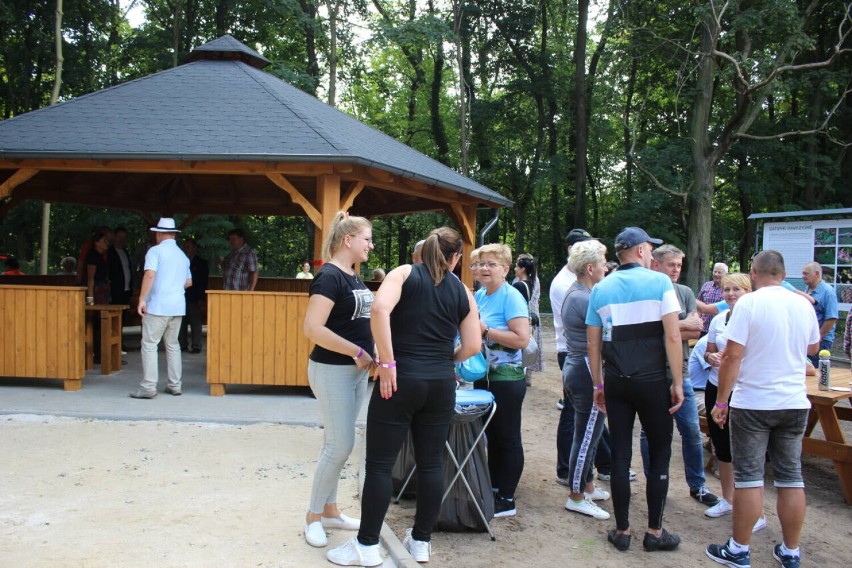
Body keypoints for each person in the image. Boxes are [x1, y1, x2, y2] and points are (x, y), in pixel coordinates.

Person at [326, 228, 480, 566]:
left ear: (424, 251)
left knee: (380, 464)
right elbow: (472, 346)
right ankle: (421, 540)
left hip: (397, 380)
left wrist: (389, 360)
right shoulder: (464, 291)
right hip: (440, 383)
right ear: (455, 258)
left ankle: (366, 545)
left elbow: (379, 310)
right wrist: (445, 361)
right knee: (431, 464)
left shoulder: (404, 273)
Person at [706, 250, 820, 568]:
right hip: (794, 402)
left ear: (754, 274)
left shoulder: (749, 304)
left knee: (749, 478)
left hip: (754, 402)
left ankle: (739, 549)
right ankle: (790, 551)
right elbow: (812, 347)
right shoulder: (802, 304)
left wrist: (721, 401)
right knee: (791, 477)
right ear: (783, 274)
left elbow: (731, 356)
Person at [586, 227, 684, 553]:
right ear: (642, 250)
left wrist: (598, 384)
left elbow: (593, 343)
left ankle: (623, 529)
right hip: (653, 381)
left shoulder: (601, 288)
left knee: (620, 455)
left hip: (617, 381)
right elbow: (672, 336)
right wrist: (678, 382)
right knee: (659, 454)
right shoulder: (660, 283)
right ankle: (655, 532)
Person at [302, 212, 375, 549]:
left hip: (354, 374)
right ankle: (313, 517)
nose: (371, 246)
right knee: (340, 444)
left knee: (336, 443)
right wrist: (358, 352)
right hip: (332, 371)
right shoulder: (329, 276)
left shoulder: (353, 276)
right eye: (367, 239)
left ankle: (331, 510)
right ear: (348, 240)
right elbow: (313, 329)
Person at [642, 244, 720, 508]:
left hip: (681, 373)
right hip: (652, 373)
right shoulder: (647, 292)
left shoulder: (685, 292)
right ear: (656, 265)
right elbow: (648, 337)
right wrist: (676, 328)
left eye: (678, 265)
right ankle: (653, 482)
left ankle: (697, 486)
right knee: (648, 433)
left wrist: (668, 330)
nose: (676, 270)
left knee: (692, 431)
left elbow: (695, 332)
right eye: (670, 264)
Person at [473, 243, 530, 518]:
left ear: (506, 269)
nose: (484, 268)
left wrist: (487, 330)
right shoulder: (480, 295)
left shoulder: (512, 296)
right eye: (480, 263)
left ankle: (507, 498)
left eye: (491, 264)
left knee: (507, 437)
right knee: (491, 436)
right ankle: (494, 490)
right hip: (483, 377)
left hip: (507, 378)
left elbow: (522, 339)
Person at [559, 239, 612, 520]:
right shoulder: (584, 297)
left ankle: (587, 486)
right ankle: (576, 496)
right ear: (590, 268)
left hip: (578, 367)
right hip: (585, 371)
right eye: (603, 263)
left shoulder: (580, 291)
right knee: (586, 435)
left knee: (590, 434)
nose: (607, 267)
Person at [703, 273, 755, 522]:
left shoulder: (755, 318)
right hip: (716, 385)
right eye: (726, 290)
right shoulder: (719, 320)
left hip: (744, 390)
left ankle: (752, 511)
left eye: (737, 289)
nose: (731, 294)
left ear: (748, 291)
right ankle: (728, 499)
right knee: (721, 444)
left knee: (745, 449)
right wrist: (711, 358)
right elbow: (709, 352)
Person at [130, 218, 192, 399]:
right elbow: (188, 282)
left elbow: (149, 274)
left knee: (149, 345)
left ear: (158, 233)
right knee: (173, 345)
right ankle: (175, 385)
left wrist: (142, 299)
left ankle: (149, 386)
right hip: (177, 306)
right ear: (173, 234)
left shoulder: (155, 252)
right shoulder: (182, 256)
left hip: (158, 305)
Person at [513, 253, 543, 381]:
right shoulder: (531, 281)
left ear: (523, 268)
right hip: (530, 316)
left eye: (517, 265)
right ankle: (527, 373)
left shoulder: (519, 284)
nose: (514, 268)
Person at [802, 262, 838, 365]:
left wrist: (819, 336)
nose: (803, 276)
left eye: (806, 274)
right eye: (803, 273)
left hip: (821, 341)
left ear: (817, 274)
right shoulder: (807, 290)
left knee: (817, 371)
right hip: (808, 339)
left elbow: (832, 318)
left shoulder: (828, 292)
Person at [179, 238, 209, 354]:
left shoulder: (202, 263)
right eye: (185, 247)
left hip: (195, 297)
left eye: (188, 247)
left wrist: (201, 298)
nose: (186, 249)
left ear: (194, 248)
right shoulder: (180, 261)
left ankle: (196, 345)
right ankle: (182, 344)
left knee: (195, 322)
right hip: (181, 296)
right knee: (181, 322)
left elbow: (203, 282)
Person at [697, 262, 728, 335]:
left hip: (721, 329)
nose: (716, 274)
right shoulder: (706, 285)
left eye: (719, 272)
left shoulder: (728, 288)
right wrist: (698, 320)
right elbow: (699, 305)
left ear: (725, 274)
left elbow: (704, 307)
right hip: (704, 328)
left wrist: (690, 297)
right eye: (715, 271)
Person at [108, 227, 134, 308]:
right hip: (115, 289)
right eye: (119, 236)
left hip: (126, 289)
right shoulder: (109, 252)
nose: (121, 239)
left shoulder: (125, 252)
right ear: (115, 237)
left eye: (124, 237)